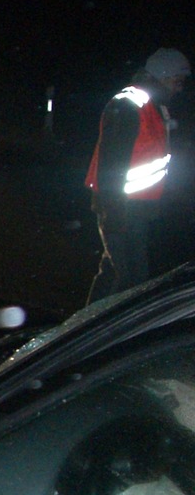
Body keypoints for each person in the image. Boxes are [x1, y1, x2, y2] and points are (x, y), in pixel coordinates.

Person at [85, 48, 190, 304]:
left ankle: (81, 329)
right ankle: (106, 336)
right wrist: (113, 213)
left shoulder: (155, 106)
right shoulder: (130, 104)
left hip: (134, 209)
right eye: (178, 80)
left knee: (113, 274)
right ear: (163, 76)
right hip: (122, 208)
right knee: (132, 281)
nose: (181, 87)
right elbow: (112, 163)